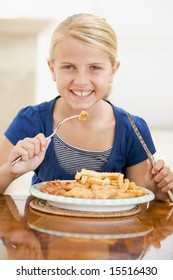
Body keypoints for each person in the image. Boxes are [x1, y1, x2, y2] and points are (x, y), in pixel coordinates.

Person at [0, 13, 173, 200]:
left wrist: (156, 192)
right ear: (52, 69)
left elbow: (141, 202)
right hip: (41, 228)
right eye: (69, 66)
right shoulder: (31, 121)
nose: (81, 81)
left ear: (112, 71)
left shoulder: (133, 130)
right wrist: (10, 171)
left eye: (94, 68)